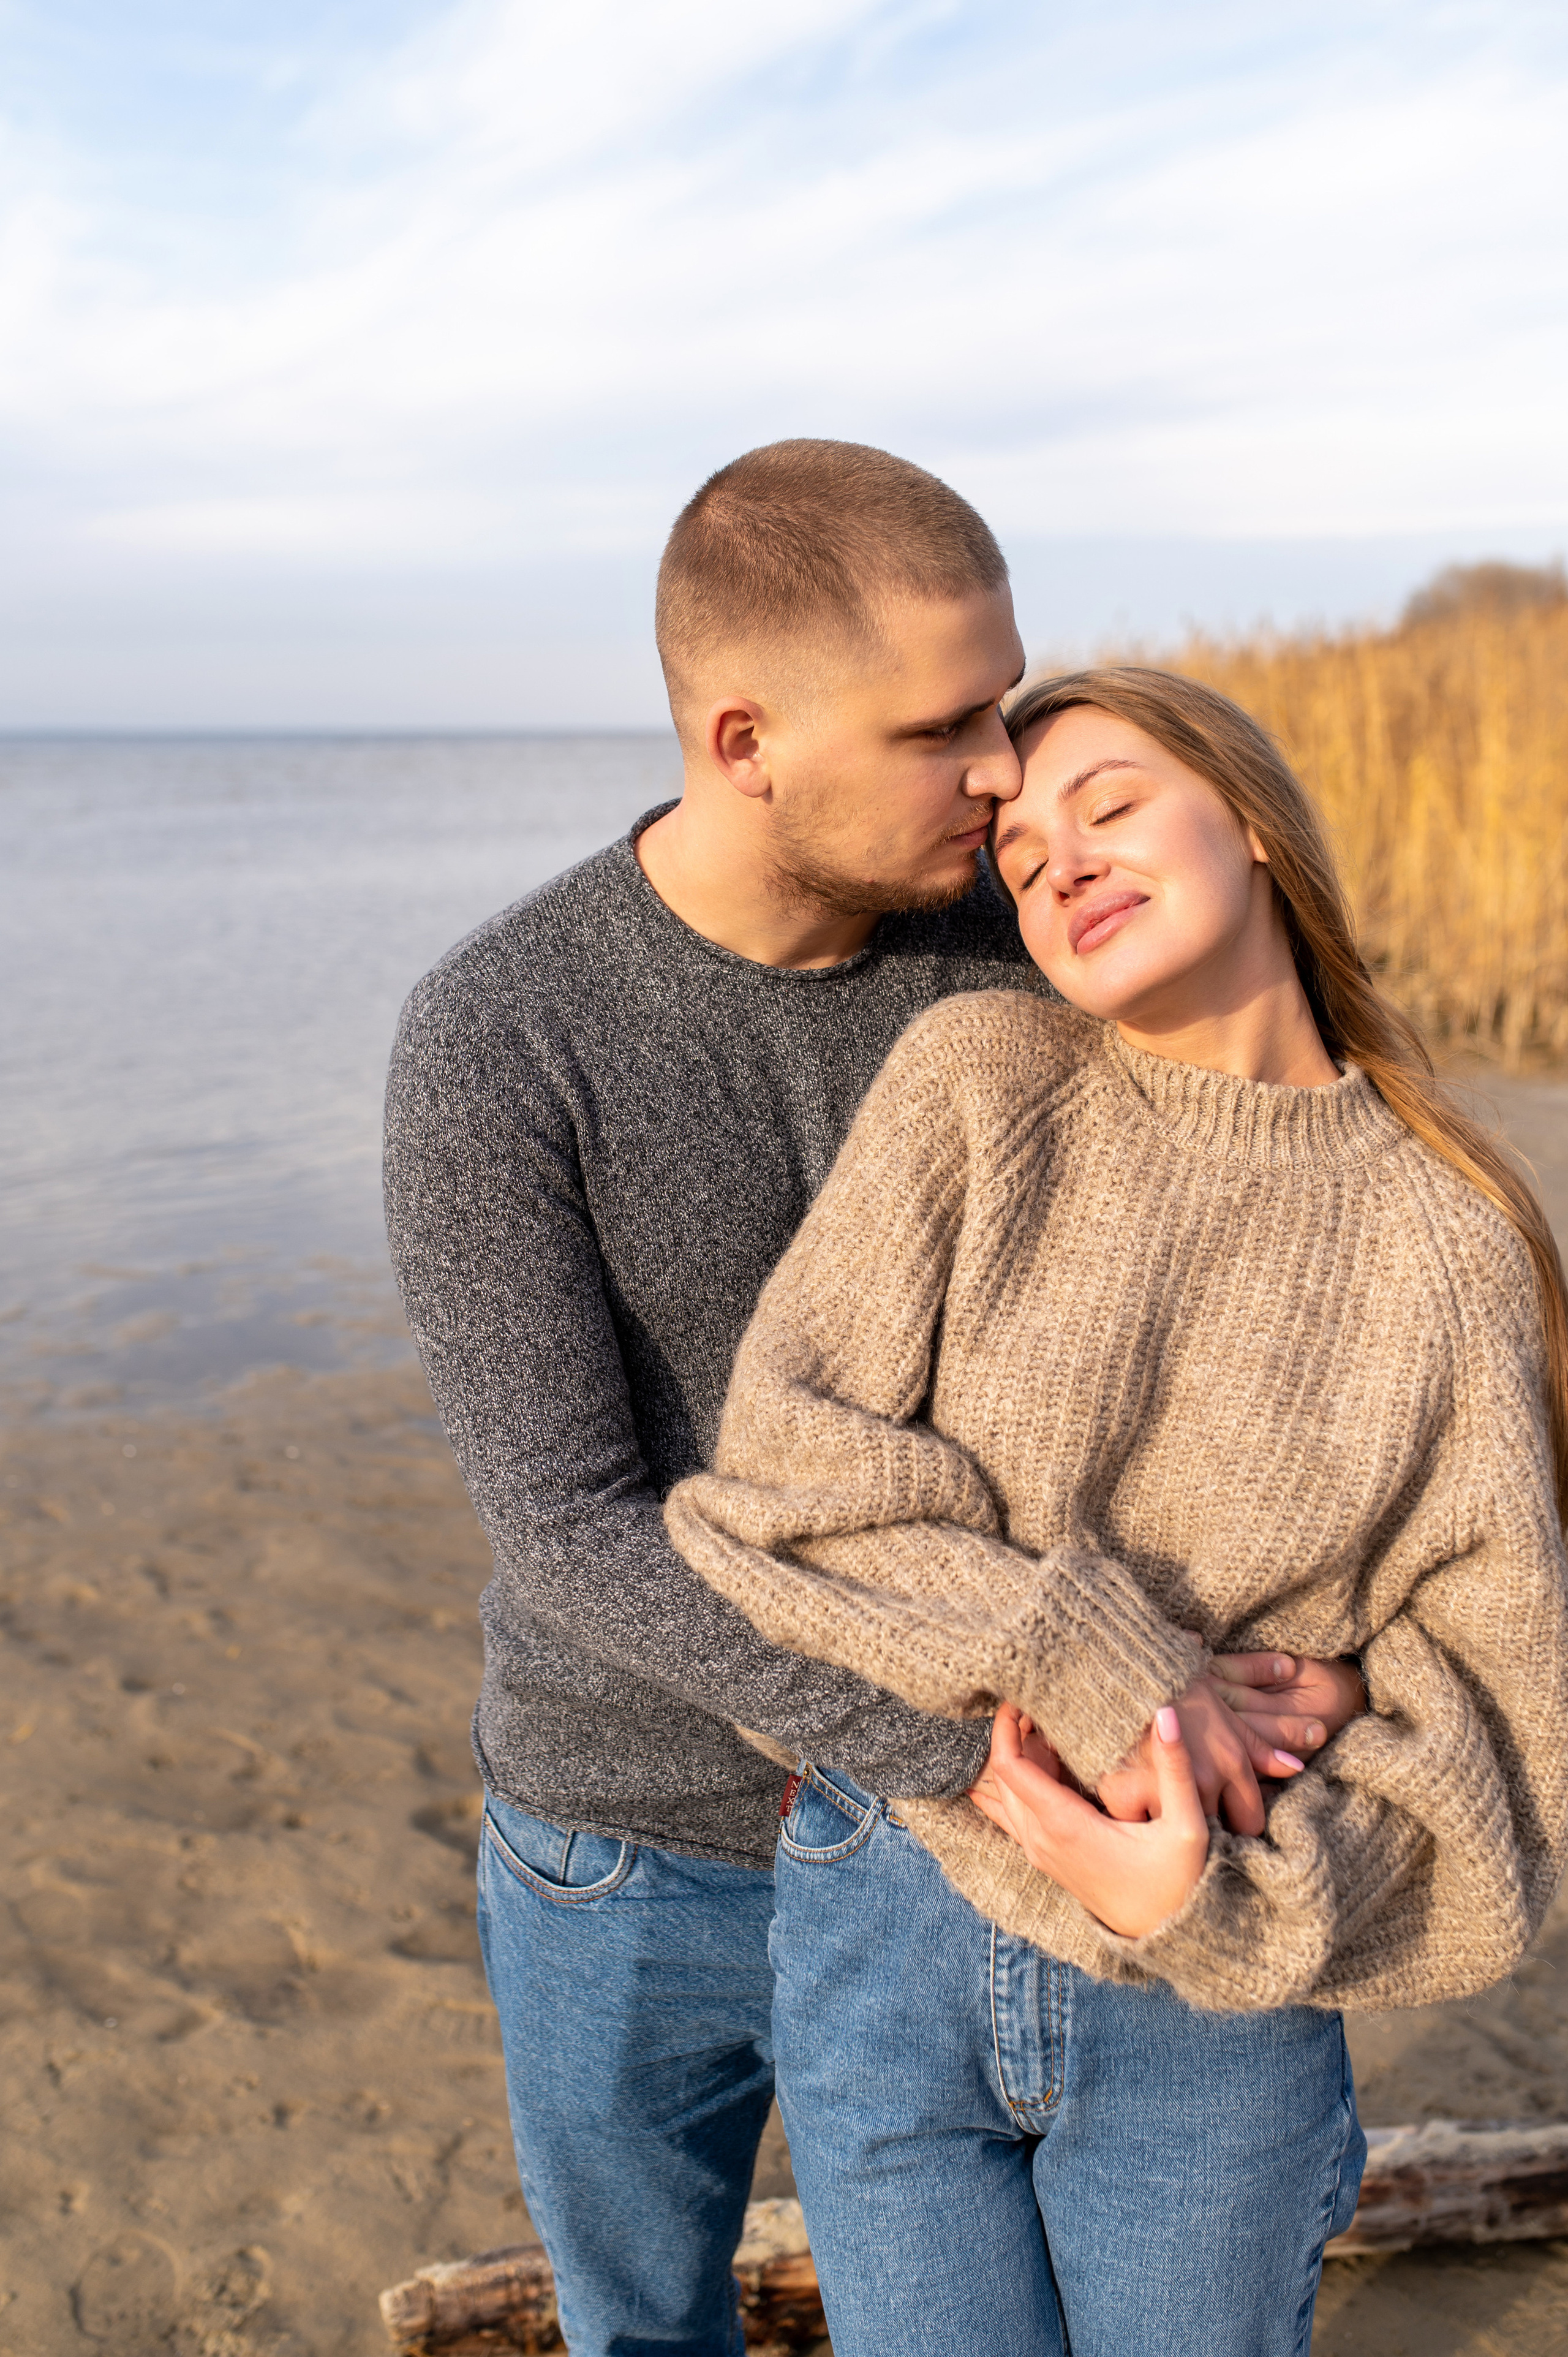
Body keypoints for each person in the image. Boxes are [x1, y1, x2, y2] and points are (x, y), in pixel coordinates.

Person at [667, 665, 1568, 2357]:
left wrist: (1219, 1895)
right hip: (896, 1895)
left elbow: (1513, 1723)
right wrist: (1107, 1655)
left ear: (1251, 817)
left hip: (1216, 1980)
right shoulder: (979, 1082)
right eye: (1017, 856)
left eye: (1112, 807)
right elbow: (776, 1486)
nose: (1057, 862)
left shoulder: (1449, 1238)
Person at [383, 439, 1047, 2357]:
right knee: (642, 2324)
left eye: (1005, 704)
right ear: (746, 736)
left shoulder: (1011, 962)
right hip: (626, 1845)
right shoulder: (500, 1034)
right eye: (947, 727)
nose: (1001, 768)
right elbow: (569, 1521)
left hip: (954, 1843)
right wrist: (941, 1740)